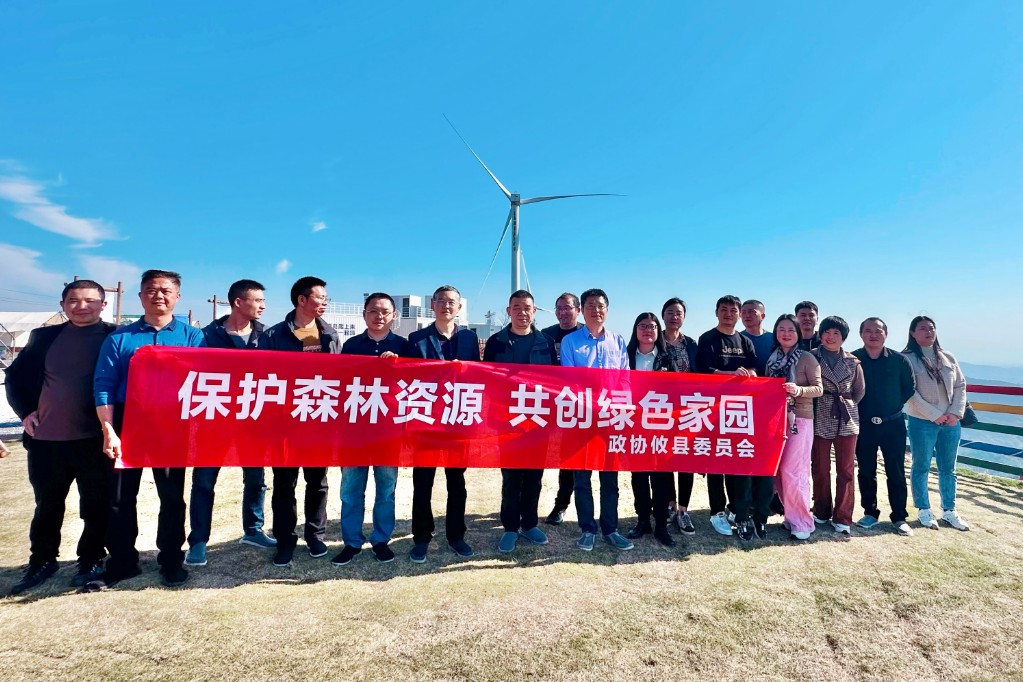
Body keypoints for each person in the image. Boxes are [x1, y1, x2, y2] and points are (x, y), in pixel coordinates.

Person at [89, 270, 206, 590]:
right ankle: (122, 562)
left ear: (177, 297)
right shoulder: (120, 338)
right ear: (140, 296)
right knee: (119, 497)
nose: (159, 296)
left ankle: (170, 560)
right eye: (151, 290)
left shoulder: (192, 337)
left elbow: (201, 381)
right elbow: (104, 385)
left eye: (166, 290)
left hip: (171, 422)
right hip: (127, 420)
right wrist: (109, 429)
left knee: (172, 497)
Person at [5, 280, 115, 594]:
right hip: (46, 439)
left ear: (103, 305)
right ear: (63, 304)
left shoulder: (114, 336)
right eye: (74, 300)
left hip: (95, 439)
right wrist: (25, 411)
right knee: (47, 505)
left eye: (90, 301)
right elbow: (14, 378)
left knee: (95, 504)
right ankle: (42, 560)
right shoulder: (43, 337)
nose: (82, 306)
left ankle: (91, 558)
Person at [184, 279, 274, 568]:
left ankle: (253, 530)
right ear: (238, 302)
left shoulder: (266, 335)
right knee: (204, 480)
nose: (263, 306)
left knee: (256, 477)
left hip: (254, 417)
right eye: (258, 300)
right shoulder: (207, 336)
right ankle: (198, 541)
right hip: (215, 417)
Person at [258, 276, 340, 567]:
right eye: (320, 297)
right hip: (284, 423)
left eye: (326, 298)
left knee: (317, 482)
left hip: (318, 419)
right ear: (301, 300)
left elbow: (339, 376)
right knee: (284, 483)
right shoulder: (273, 335)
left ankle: (315, 535)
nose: (324, 302)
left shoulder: (330, 335)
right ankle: (285, 540)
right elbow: (262, 375)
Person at [403, 285, 481, 563]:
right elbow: (408, 376)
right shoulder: (417, 339)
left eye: (451, 302)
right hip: (426, 421)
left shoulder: (469, 338)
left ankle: (456, 536)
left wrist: (465, 369)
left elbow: (479, 376)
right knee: (423, 483)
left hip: (458, 421)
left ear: (459, 307)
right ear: (432, 305)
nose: (446, 306)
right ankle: (421, 537)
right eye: (441, 301)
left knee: (456, 482)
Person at [332, 293, 406, 566]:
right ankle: (351, 542)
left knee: (386, 489)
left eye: (385, 311)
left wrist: (398, 366)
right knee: (351, 489)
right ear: (364, 314)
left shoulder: (404, 346)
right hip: (355, 430)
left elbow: (417, 384)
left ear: (394, 316)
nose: (379, 316)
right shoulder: (351, 345)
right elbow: (341, 383)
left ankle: (381, 540)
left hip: (389, 431)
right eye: (373, 311)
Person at [560, 288, 633, 552]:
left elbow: (625, 377)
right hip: (582, 420)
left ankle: (611, 529)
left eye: (601, 305)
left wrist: (616, 407)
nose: (596, 310)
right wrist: (592, 406)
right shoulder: (570, 342)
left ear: (607, 310)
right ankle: (587, 529)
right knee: (582, 479)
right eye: (590, 305)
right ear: (582, 310)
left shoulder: (617, 341)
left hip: (611, 420)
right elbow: (570, 380)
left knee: (610, 479)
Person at [484, 290, 556, 554]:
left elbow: (555, 382)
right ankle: (511, 528)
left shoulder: (546, 342)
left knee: (535, 476)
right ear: (508, 311)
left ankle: (530, 524)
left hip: (538, 420)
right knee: (511, 477)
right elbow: (486, 379)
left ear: (534, 311)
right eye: (516, 308)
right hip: (507, 420)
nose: (522, 312)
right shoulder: (496, 342)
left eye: (527, 308)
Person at [695, 295, 758, 540]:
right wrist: (730, 375)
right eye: (724, 309)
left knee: (735, 461)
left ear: (739, 314)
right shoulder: (707, 339)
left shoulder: (745, 341)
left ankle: (734, 509)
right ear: (716, 312)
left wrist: (748, 374)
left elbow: (754, 370)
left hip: (738, 411)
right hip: (712, 409)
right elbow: (703, 371)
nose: (728, 314)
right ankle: (716, 511)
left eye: (733, 310)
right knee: (714, 462)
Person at [903, 316, 970, 531]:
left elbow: (960, 385)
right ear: (913, 333)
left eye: (931, 328)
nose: (928, 331)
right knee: (921, 465)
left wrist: (955, 413)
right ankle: (924, 509)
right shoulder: (907, 358)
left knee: (948, 468)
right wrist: (933, 414)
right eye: (922, 328)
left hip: (950, 421)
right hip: (922, 420)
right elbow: (908, 391)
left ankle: (949, 510)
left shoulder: (947, 356)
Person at [853, 317, 915, 536]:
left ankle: (899, 516)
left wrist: (891, 406)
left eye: (878, 331)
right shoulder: (854, 359)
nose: (873, 335)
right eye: (868, 330)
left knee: (896, 471)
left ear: (886, 334)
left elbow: (909, 388)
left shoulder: (899, 360)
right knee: (866, 470)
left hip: (893, 423)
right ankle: (870, 512)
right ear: (861, 334)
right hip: (863, 424)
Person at [763, 314, 822, 541]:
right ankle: (791, 515)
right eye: (781, 329)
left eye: (790, 330)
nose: (785, 334)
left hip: (800, 419)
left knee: (794, 470)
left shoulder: (807, 358)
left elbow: (818, 388)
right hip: (775, 420)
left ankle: (803, 521)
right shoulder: (772, 359)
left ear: (798, 333)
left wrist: (798, 390)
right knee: (778, 470)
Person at [625, 312, 677, 547]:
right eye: (643, 326)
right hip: (634, 425)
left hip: (660, 426)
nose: (647, 330)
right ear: (636, 330)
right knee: (638, 476)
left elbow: (678, 391)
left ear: (658, 331)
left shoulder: (667, 358)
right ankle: (643, 521)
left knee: (662, 478)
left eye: (652, 326)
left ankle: (661, 526)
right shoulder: (625, 356)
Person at [809, 316, 864, 535]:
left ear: (843, 337)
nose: (831, 337)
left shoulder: (853, 361)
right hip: (819, 414)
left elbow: (859, 390)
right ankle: (821, 511)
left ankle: (843, 516)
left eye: (836, 333)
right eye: (827, 332)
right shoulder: (810, 356)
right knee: (820, 468)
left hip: (847, 417)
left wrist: (846, 404)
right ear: (820, 334)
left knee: (846, 470)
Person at [542, 292, 584, 525]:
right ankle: (528, 505)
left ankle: (564, 505)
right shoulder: (545, 335)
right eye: (559, 308)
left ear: (578, 310)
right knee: (541, 454)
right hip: (548, 403)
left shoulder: (585, 334)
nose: (563, 312)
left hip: (578, 406)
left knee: (571, 458)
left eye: (568, 308)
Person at [660, 297, 698, 535]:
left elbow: (702, 374)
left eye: (679, 313)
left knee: (686, 459)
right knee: (665, 458)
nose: (674, 317)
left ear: (684, 317)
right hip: (661, 408)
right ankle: (670, 505)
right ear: (662, 315)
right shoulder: (655, 340)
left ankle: (684, 509)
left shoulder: (691, 343)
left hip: (687, 409)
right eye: (670, 312)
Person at [740, 299, 774, 377]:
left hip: (770, 382)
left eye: (751, 312)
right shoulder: (737, 339)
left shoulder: (774, 339)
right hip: (744, 382)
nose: (747, 315)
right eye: (743, 312)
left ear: (762, 316)